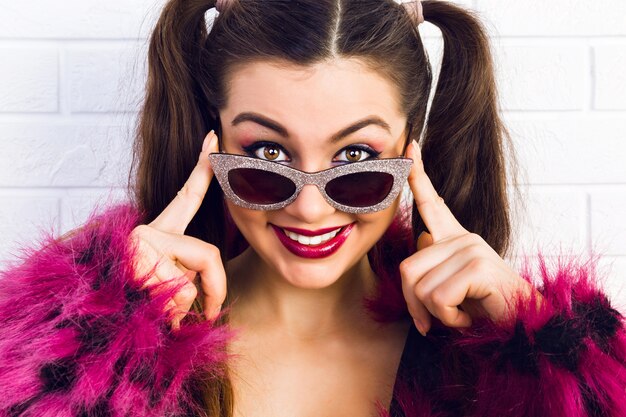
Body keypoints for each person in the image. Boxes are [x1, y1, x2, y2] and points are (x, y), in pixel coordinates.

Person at [1, 0, 625, 416]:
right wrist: (92, 339)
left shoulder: (488, 361)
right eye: (267, 153)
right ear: (210, 137)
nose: (308, 205)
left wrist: (550, 353)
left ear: (413, 148)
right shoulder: (118, 346)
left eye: (356, 160)